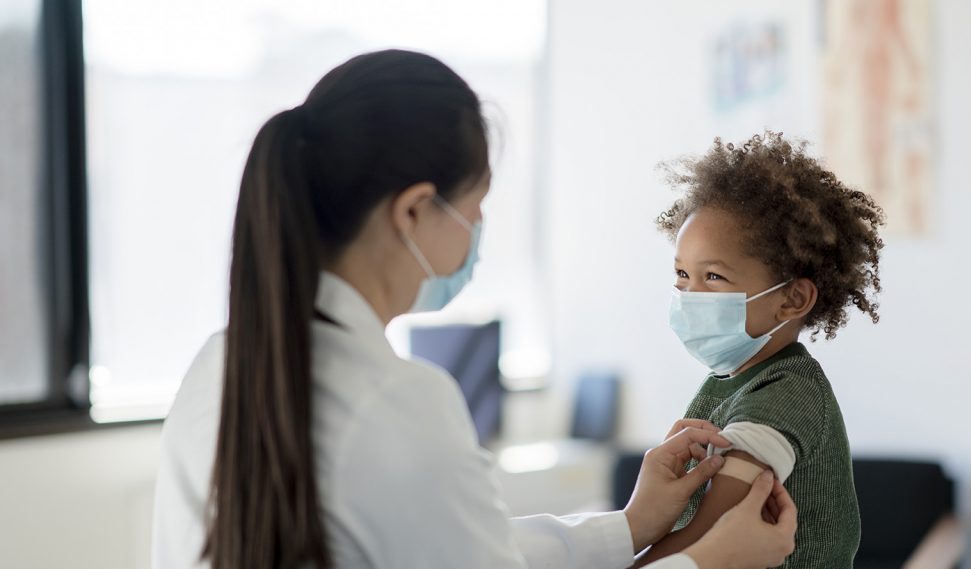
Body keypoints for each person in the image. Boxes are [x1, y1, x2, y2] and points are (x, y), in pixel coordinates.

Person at [151, 50, 798, 569]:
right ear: (412, 211)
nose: (477, 233)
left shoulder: (220, 361)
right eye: (476, 207)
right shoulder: (395, 400)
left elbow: (464, 549)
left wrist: (630, 525)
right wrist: (711, 562)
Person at [635, 132, 885, 568]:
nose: (689, 295)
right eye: (681, 274)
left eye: (712, 277)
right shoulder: (733, 379)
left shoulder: (786, 394)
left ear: (791, 300)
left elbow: (711, 534)